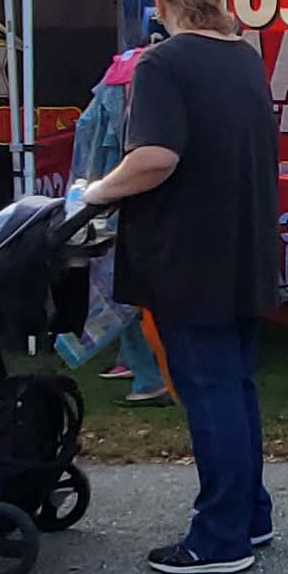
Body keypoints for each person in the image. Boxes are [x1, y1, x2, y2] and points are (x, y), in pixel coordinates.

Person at [73, 0, 282, 574]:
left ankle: (220, 537)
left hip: (191, 252)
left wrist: (94, 190)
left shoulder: (162, 64)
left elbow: (156, 156)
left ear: (160, 2)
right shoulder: (244, 58)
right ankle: (250, 514)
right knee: (235, 386)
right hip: (245, 244)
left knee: (209, 391)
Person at [51, 41, 172, 403]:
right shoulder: (152, 81)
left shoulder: (124, 80)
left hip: (117, 200)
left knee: (124, 291)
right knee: (131, 293)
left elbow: (101, 147)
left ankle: (148, 375)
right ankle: (147, 372)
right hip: (138, 204)